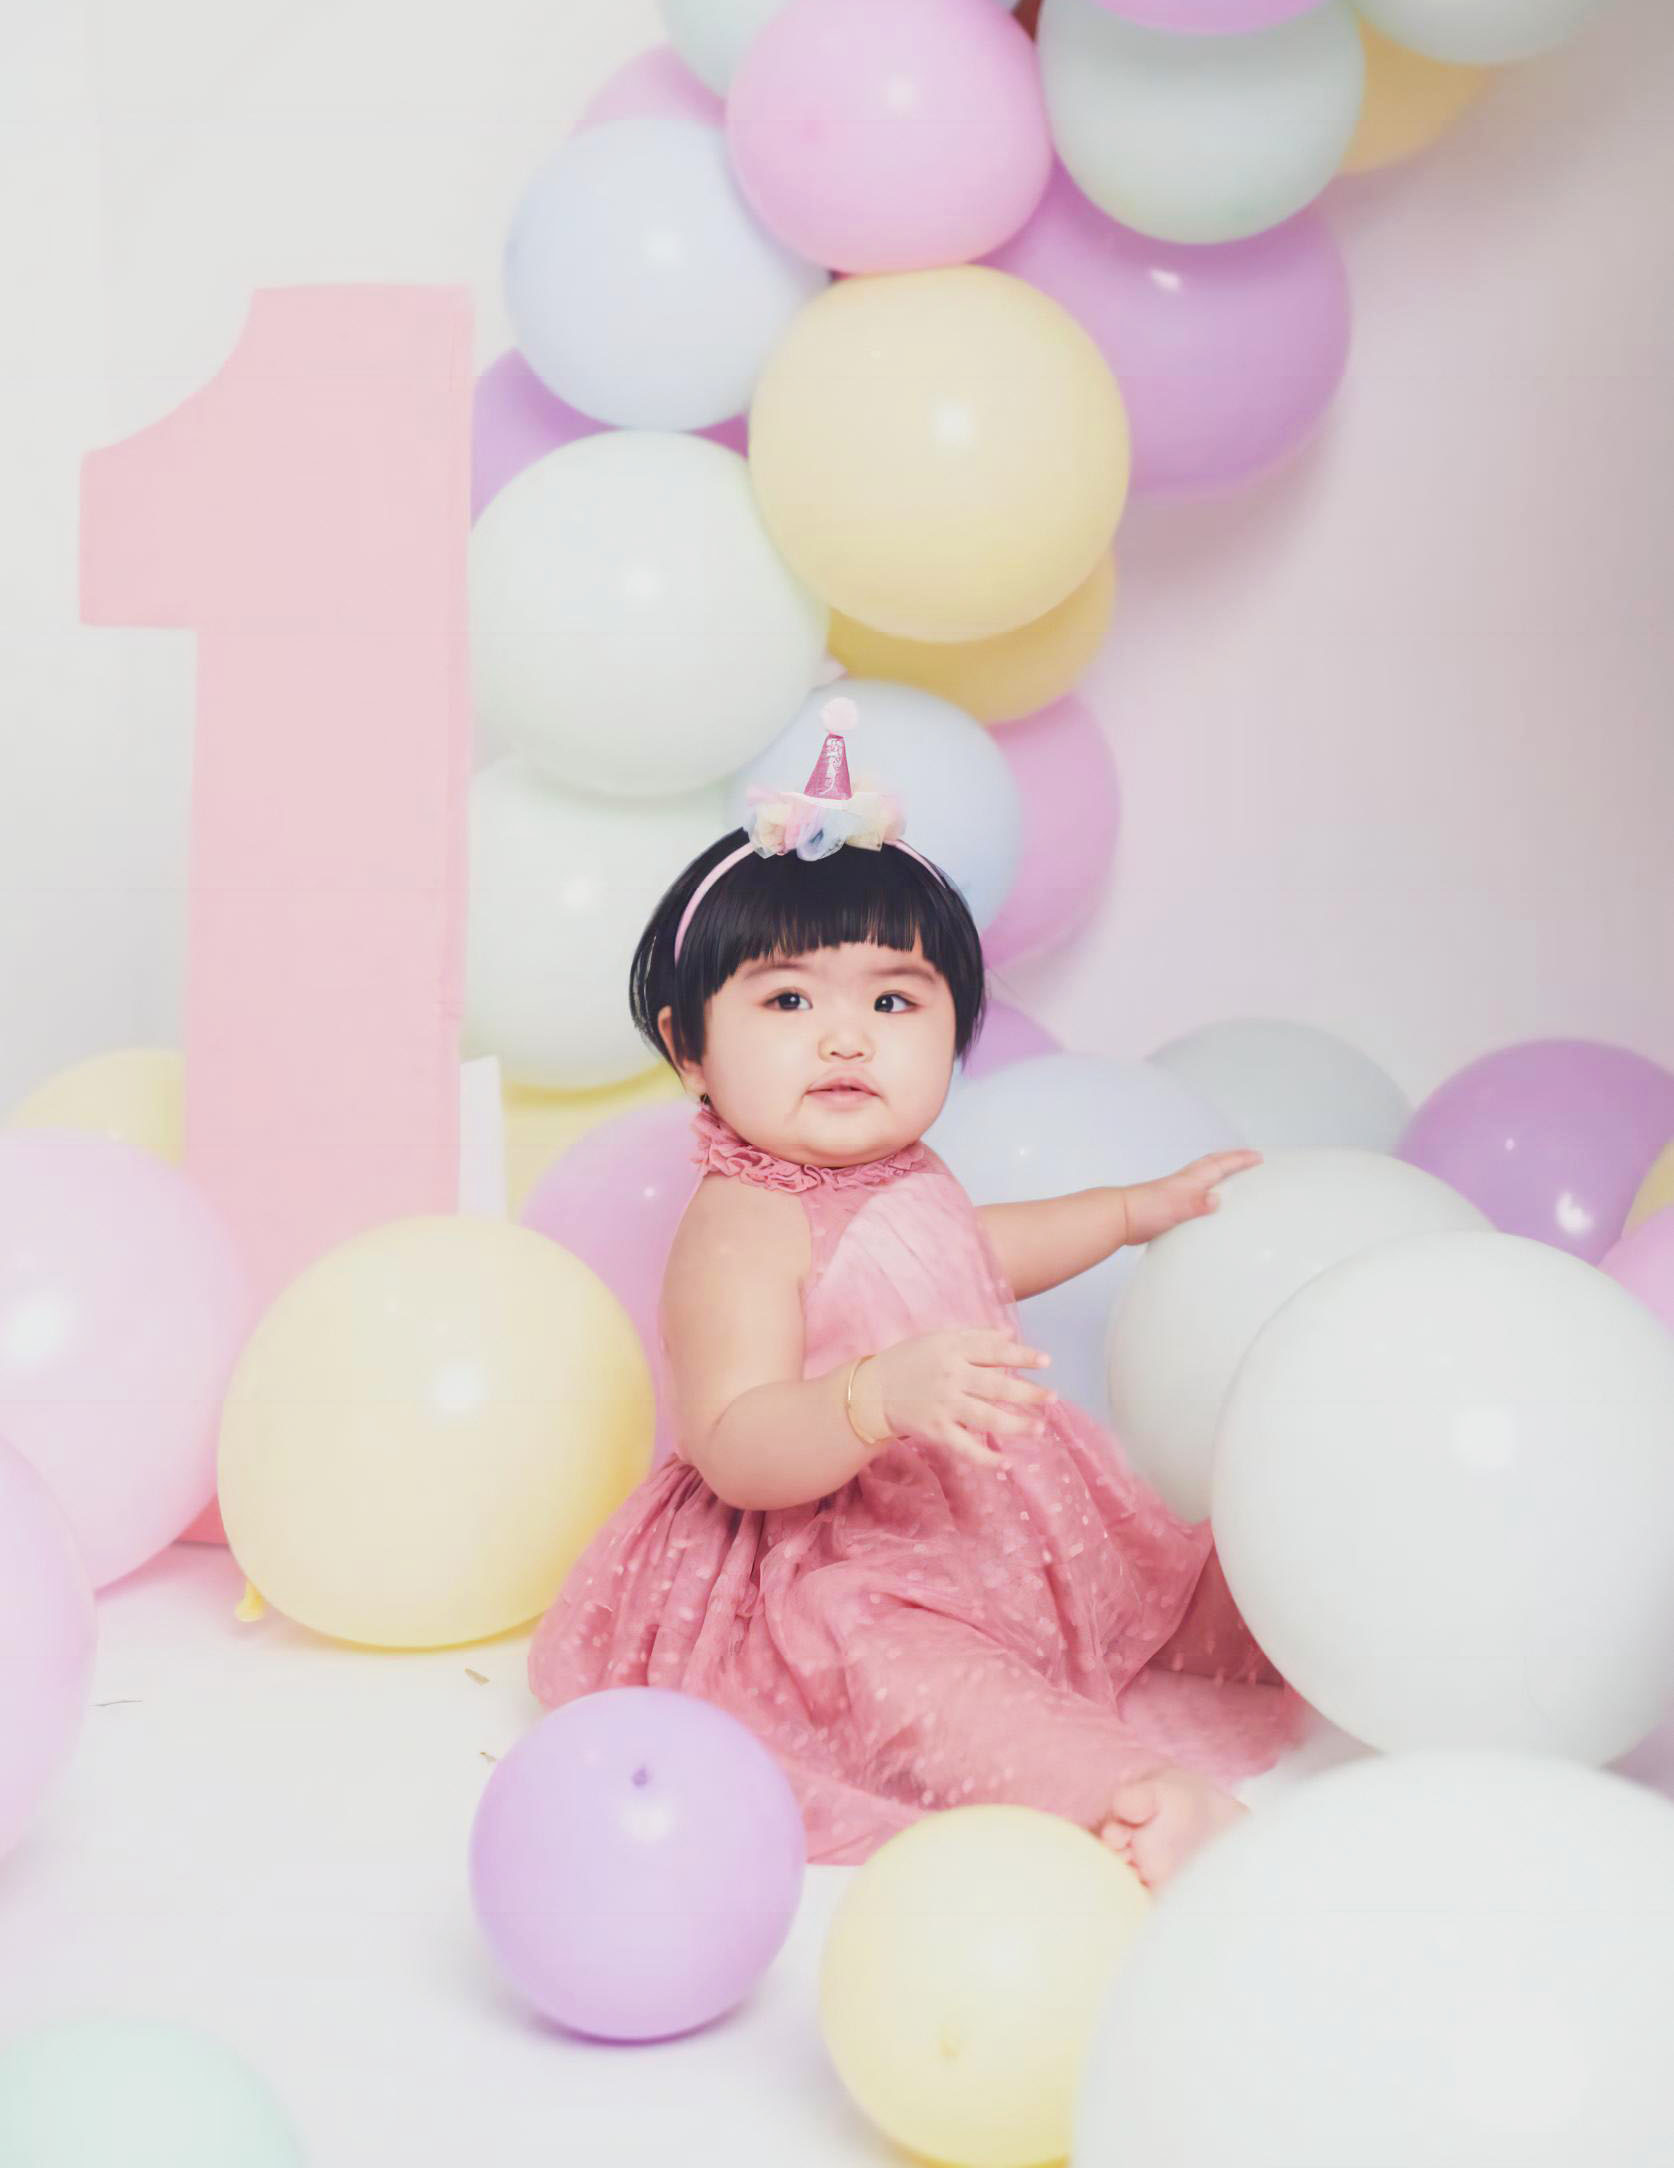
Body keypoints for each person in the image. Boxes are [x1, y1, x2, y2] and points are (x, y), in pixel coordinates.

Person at [528, 701, 1305, 1885]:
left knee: (1185, 1572)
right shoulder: (742, 1221)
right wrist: (873, 1396)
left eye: (891, 1002)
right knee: (917, 1682)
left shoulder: (898, 1170)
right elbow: (733, 1441)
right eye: (788, 1002)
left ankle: (1332, 1620)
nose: (846, 1039)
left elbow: (964, 1251)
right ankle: (1123, 1795)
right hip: (832, 1566)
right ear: (690, 1047)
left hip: (992, 1518)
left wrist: (1124, 1212)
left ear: (953, 1032)